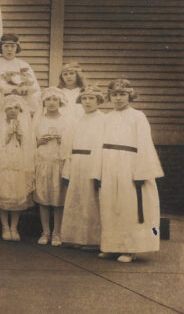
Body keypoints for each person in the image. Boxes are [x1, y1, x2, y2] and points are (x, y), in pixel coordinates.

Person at [95, 79, 164, 263]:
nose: (118, 98)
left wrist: (141, 172)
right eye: (114, 95)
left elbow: (145, 144)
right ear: (110, 97)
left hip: (129, 165)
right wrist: (98, 172)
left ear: (129, 96)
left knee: (129, 206)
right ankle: (111, 246)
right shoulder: (106, 118)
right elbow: (98, 145)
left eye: (122, 94)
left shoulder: (138, 116)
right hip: (109, 164)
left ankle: (129, 249)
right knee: (110, 206)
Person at [60, 85, 105, 249]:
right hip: (77, 160)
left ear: (99, 100)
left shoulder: (103, 120)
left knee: (91, 200)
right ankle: (75, 237)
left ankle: (92, 240)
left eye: (91, 98)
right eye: (84, 98)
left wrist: (99, 169)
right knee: (76, 198)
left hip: (93, 161)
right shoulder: (76, 120)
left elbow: (102, 145)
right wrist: (68, 166)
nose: (87, 102)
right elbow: (68, 144)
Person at [0, 96, 35, 241]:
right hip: (4, 161)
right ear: (5, 110)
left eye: (16, 108)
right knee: (4, 192)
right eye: (9, 108)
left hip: (19, 161)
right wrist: (7, 136)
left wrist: (21, 136)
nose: (12, 111)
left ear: (20, 110)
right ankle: (5, 226)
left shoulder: (25, 125)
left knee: (17, 194)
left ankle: (14, 227)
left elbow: (29, 147)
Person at [34, 88, 71, 246]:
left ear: (60, 102)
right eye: (48, 100)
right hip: (43, 160)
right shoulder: (38, 119)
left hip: (59, 160)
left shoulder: (66, 120)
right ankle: (45, 231)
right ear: (44, 102)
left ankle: (57, 232)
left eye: (54, 100)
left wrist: (63, 140)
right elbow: (30, 140)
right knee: (43, 197)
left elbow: (71, 140)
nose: (51, 103)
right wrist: (39, 142)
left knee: (58, 197)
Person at [0, 34, 41, 116]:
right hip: (1, 107)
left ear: (17, 47)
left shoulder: (24, 65)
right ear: (1, 47)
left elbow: (35, 88)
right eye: (6, 46)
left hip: (22, 107)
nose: (9, 49)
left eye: (12, 46)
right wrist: (3, 102)